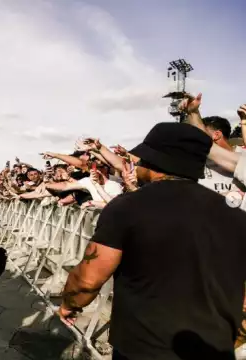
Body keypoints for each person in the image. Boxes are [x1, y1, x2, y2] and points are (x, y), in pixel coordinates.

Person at [57, 122, 246, 360]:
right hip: (213, 349)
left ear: (155, 160)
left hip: (143, 348)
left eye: (143, 159)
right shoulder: (237, 216)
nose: (138, 163)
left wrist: (69, 305)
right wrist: (232, 337)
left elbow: (87, 280)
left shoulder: (127, 208)